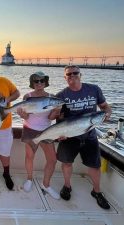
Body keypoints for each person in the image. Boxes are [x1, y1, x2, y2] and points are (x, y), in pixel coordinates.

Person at [55, 65, 112, 209]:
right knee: (67, 163)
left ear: (81, 74)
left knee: (94, 165)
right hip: (69, 136)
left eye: (76, 73)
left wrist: (108, 114)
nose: (72, 75)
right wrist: (59, 134)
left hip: (90, 135)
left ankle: (97, 191)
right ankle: (67, 186)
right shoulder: (61, 95)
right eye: (69, 74)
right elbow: (59, 118)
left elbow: (105, 107)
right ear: (65, 77)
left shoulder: (94, 89)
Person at [17, 71, 60, 199]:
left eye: (42, 81)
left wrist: (56, 111)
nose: (39, 83)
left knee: (52, 159)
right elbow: (26, 115)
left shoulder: (52, 97)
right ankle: (29, 179)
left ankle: (46, 184)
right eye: (36, 81)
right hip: (30, 129)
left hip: (46, 130)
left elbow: (51, 117)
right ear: (32, 83)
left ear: (46, 82)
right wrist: (22, 114)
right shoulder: (27, 96)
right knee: (30, 156)